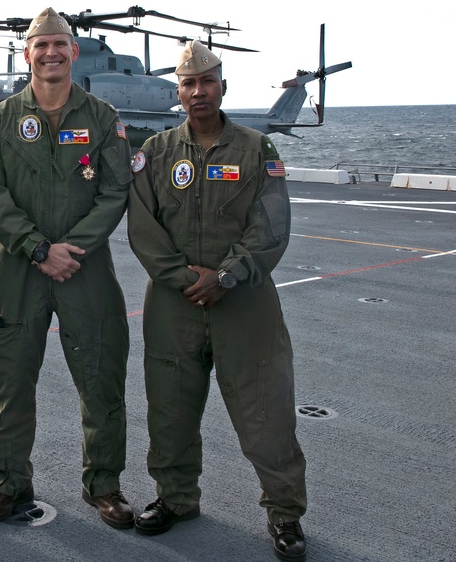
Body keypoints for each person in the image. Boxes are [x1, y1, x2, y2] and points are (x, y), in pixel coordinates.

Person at [127, 40, 308, 561]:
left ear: (222, 87)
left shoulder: (256, 149)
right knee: (170, 410)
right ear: (179, 92)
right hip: (173, 303)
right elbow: (143, 229)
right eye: (189, 84)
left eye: (208, 82)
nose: (198, 91)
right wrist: (186, 276)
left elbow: (271, 226)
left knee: (266, 413)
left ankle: (285, 514)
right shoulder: (156, 153)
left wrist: (226, 276)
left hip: (245, 303)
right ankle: (176, 498)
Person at [0, 7, 134, 529]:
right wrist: (39, 248)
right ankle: (10, 483)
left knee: (101, 378)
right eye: (40, 45)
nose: (51, 53)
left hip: (85, 269)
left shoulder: (104, 119)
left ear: (74, 51)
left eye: (59, 44)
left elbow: (115, 192)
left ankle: (104, 485)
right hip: (19, 268)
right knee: (10, 380)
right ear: (28, 55)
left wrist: (71, 249)